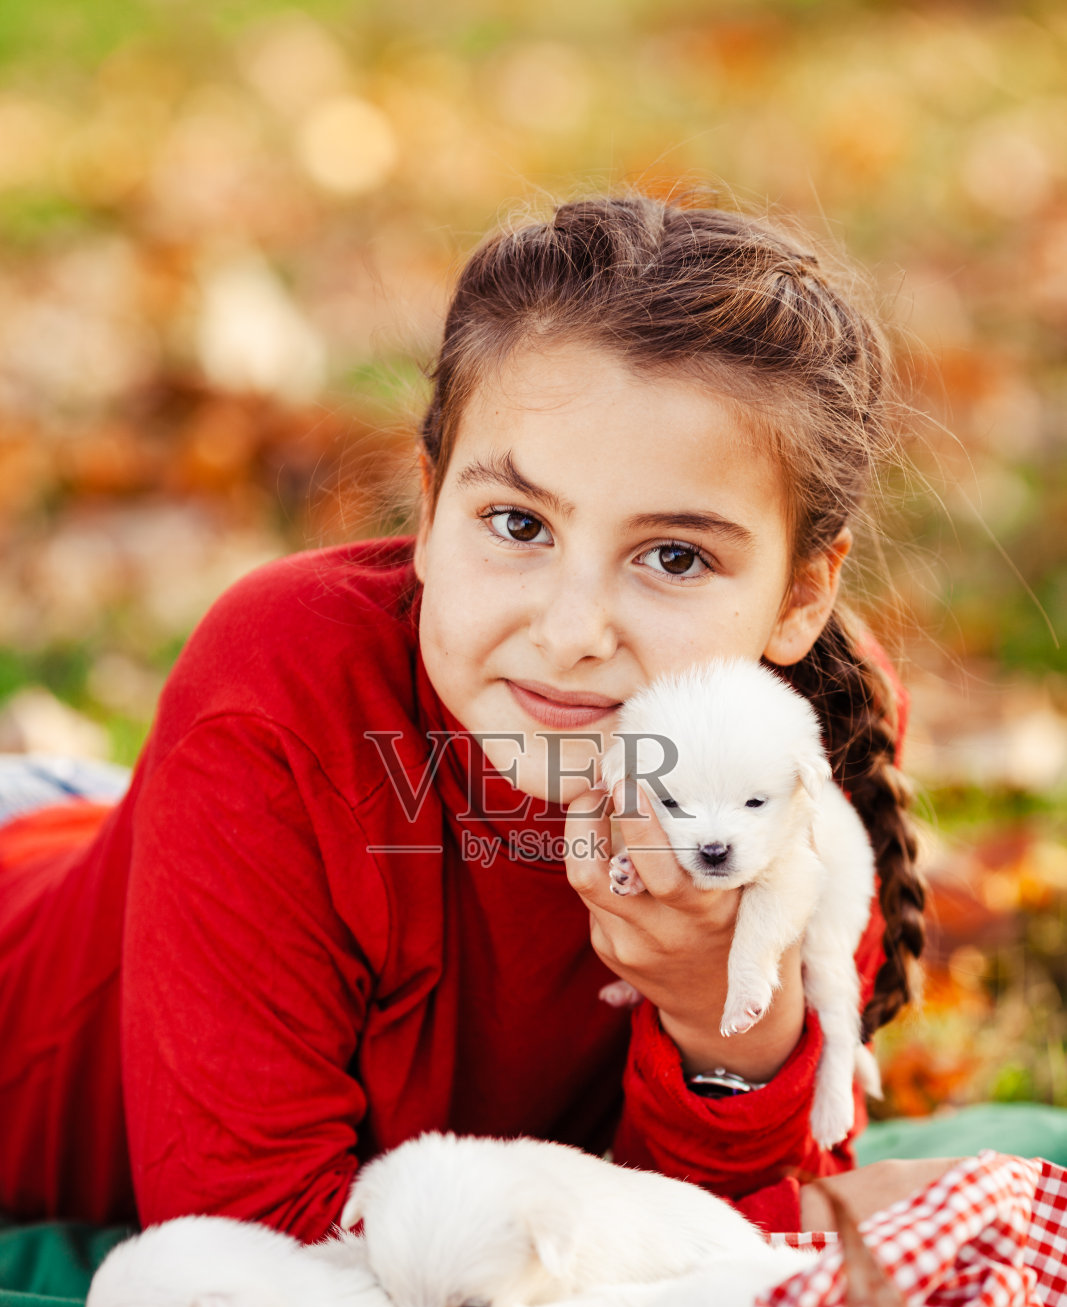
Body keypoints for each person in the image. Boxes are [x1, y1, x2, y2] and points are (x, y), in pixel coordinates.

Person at [0, 194, 940, 1243]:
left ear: (800, 596)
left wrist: (719, 1007)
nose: (572, 630)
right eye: (516, 522)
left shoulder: (801, 737)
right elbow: (256, 1252)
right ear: (430, 501)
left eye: (673, 556)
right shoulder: (282, 678)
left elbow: (733, 1241)